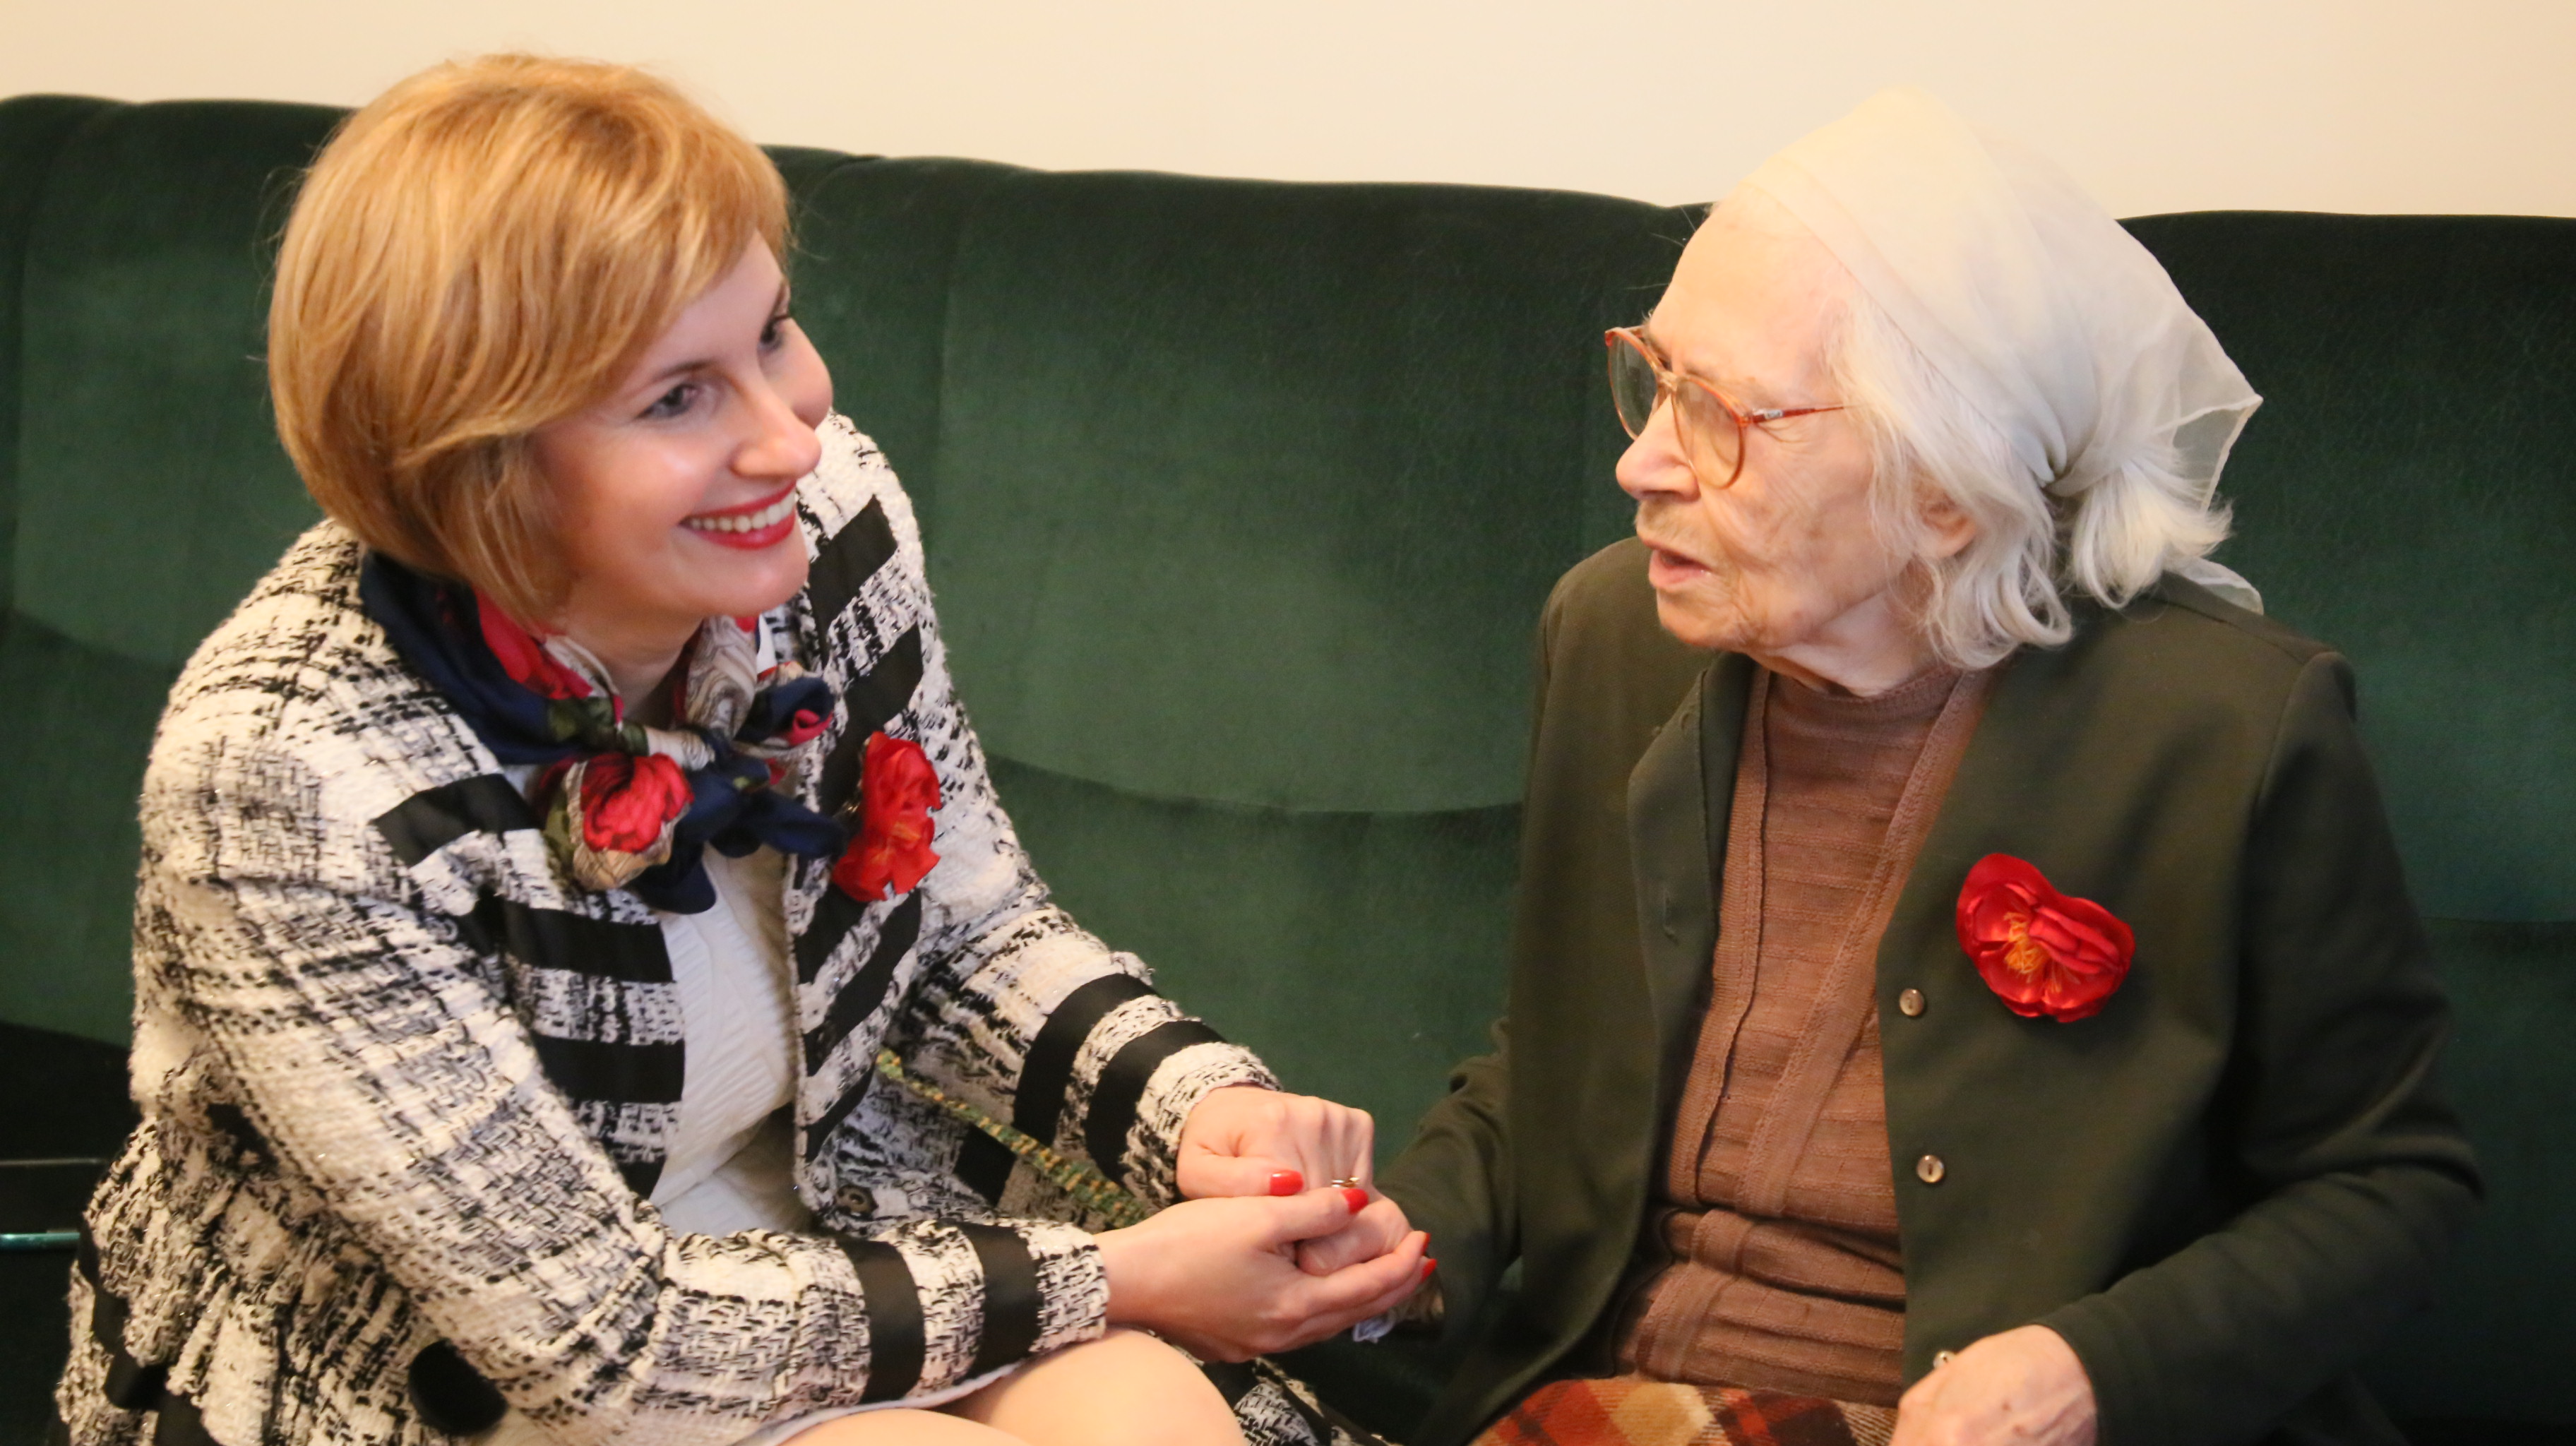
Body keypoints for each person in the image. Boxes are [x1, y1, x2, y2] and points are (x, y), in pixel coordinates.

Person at [54, 56, 1423, 1446]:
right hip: (472, 1371)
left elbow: (956, 925)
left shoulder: (826, 525)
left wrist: (1195, 1114)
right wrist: (1126, 1270)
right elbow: (611, 1351)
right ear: (482, 467)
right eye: (676, 399)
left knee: (1166, 1426)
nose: (791, 432)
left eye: (772, 332)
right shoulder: (283, 778)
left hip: (829, 1224)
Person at [1367, 90, 2479, 1446]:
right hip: (1613, 1396)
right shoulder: (1613, 635)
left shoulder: (2227, 730)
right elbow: (1555, 1062)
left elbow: (2388, 1183)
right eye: (1651, 379)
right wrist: (1397, 1245)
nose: (1639, 460)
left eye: (1713, 412)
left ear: (1945, 490)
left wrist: (2090, 1373)